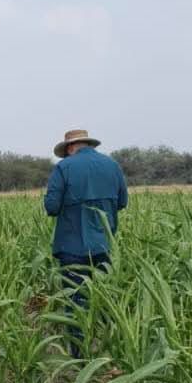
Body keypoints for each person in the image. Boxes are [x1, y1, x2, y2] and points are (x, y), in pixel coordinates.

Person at [44, 129, 128, 357]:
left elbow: (51, 207)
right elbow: (122, 202)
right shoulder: (112, 165)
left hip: (72, 247)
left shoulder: (64, 168)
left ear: (70, 148)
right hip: (104, 245)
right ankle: (108, 351)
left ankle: (80, 359)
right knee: (102, 298)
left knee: (76, 303)